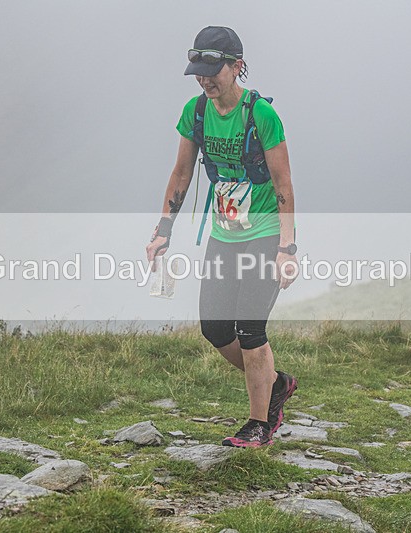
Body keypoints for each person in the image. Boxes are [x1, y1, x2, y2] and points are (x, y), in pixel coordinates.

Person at [145, 26, 299, 447]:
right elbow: (181, 173)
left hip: (265, 231)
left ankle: (259, 424)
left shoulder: (261, 116)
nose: (205, 80)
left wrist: (287, 248)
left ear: (237, 66)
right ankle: (277, 383)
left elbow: (283, 184)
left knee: (250, 327)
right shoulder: (196, 112)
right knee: (214, 328)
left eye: (213, 71)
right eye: (199, 72)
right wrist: (163, 230)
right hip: (224, 232)